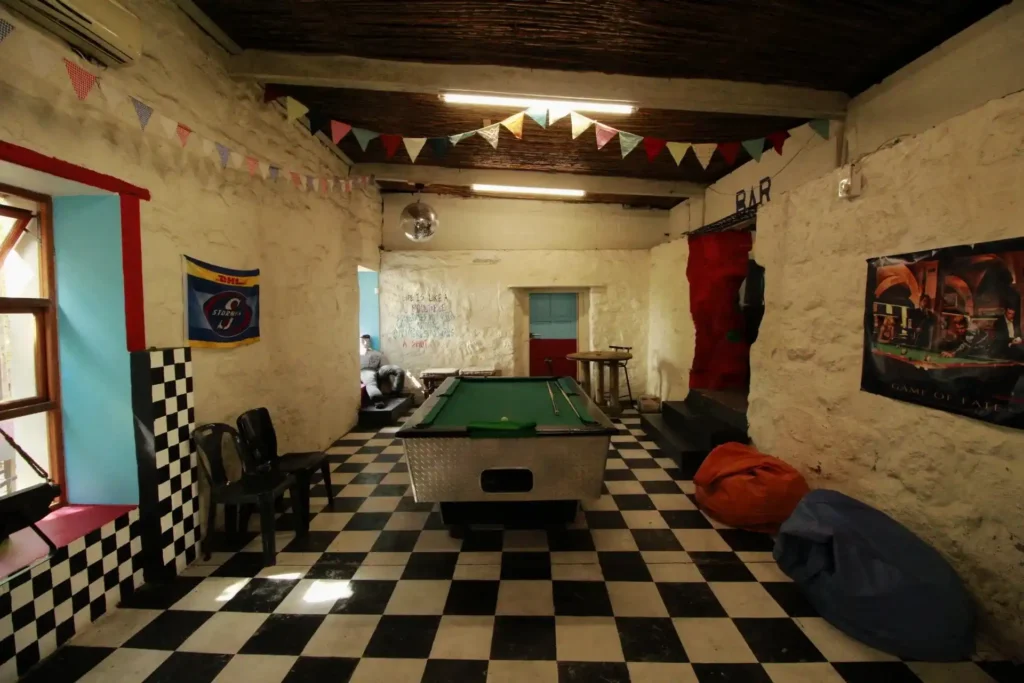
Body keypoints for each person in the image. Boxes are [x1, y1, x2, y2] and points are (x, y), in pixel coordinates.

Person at [360, 335, 405, 408]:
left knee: (399, 370)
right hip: (365, 371)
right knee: (371, 382)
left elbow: (384, 365)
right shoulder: (357, 354)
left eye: (367, 340)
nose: (365, 343)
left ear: (370, 341)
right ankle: (378, 400)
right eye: (363, 341)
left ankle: (396, 391)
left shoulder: (377, 353)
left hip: (378, 370)